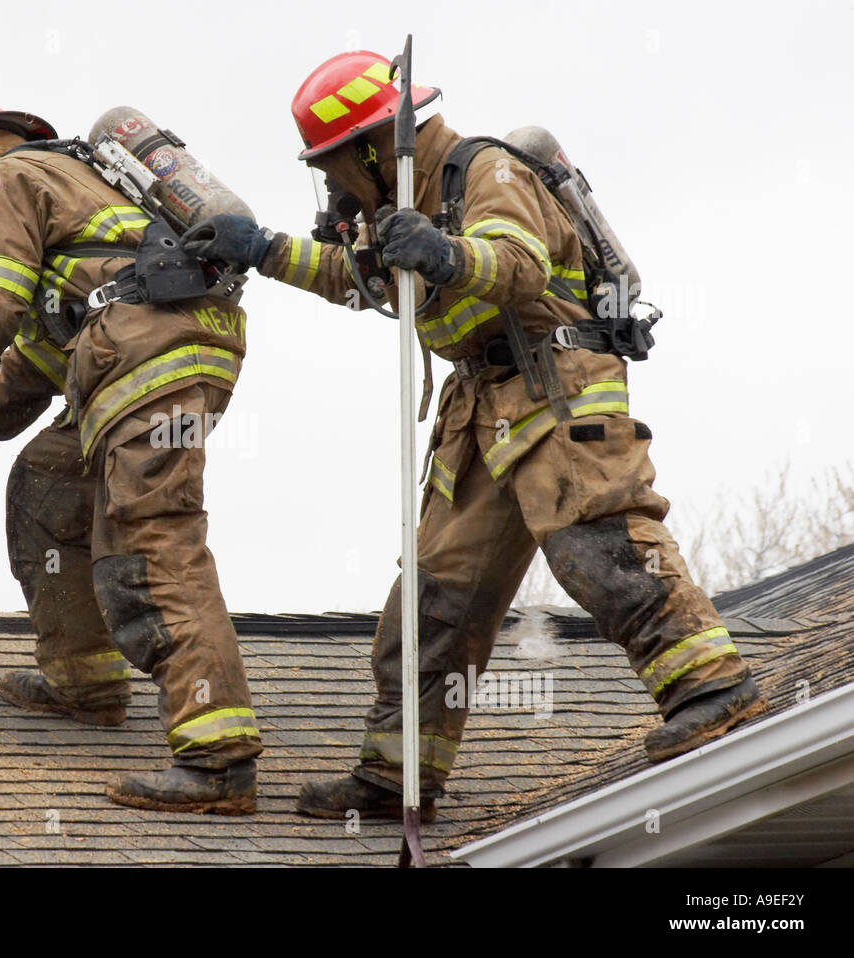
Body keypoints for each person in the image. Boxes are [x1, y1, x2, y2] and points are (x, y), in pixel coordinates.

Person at [181, 52, 765, 822]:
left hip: (556, 387)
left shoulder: (484, 172)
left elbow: (519, 267)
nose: (329, 186)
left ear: (371, 149)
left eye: (333, 166)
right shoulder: (398, 212)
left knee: (596, 546)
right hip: (480, 411)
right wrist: (258, 248)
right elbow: (355, 281)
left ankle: (713, 690)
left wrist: (449, 254)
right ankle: (398, 776)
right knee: (432, 600)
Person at [0, 104, 261, 813]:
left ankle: (219, 762)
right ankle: (85, 682)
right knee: (48, 479)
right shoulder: (81, 191)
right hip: (158, 345)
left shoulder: (1, 179)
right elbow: (29, 368)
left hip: (145, 357)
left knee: (153, 537)